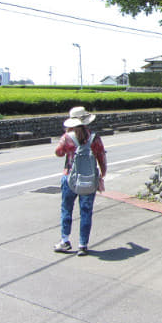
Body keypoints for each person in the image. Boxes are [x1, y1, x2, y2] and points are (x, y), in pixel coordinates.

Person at [54, 106, 107, 256]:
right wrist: (102, 175)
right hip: (89, 180)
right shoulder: (94, 138)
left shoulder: (67, 138)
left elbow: (58, 153)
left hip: (69, 177)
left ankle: (65, 240)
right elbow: (101, 157)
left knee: (66, 209)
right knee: (86, 211)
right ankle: (83, 244)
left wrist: (65, 136)